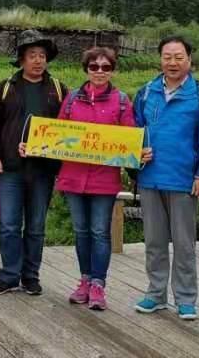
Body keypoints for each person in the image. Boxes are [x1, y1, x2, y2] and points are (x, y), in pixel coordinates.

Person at [131, 35, 199, 320]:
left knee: (184, 244)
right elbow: (134, 132)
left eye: (179, 57)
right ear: (160, 59)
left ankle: (186, 298)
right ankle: (155, 294)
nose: (173, 62)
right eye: (167, 57)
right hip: (150, 178)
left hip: (183, 180)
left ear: (189, 60)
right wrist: (136, 154)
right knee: (154, 242)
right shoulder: (145, 92)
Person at [0, 30, 69, 296]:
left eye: (42, 55)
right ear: (21, 59)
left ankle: (31, 276)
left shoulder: (58, 89)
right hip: (10, 167)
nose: (38, 60)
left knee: (36, 227)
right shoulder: (5, 87)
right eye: (32, 55)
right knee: (9, 225)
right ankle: (9, 276)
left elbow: (69, 128)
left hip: (43, 170)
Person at [51, 47, 135, 310]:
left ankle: (98, 284)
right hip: (73, 176)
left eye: (106, 67)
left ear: (113, 71)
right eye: (94, 67)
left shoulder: (122, 101)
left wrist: (137, 151)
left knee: (99, 232)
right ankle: (85, 280)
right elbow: (56, 135)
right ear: (86, 69)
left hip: (104, 179)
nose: (99, 71)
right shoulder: (72, 99)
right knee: (80, 231)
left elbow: (130, 137)